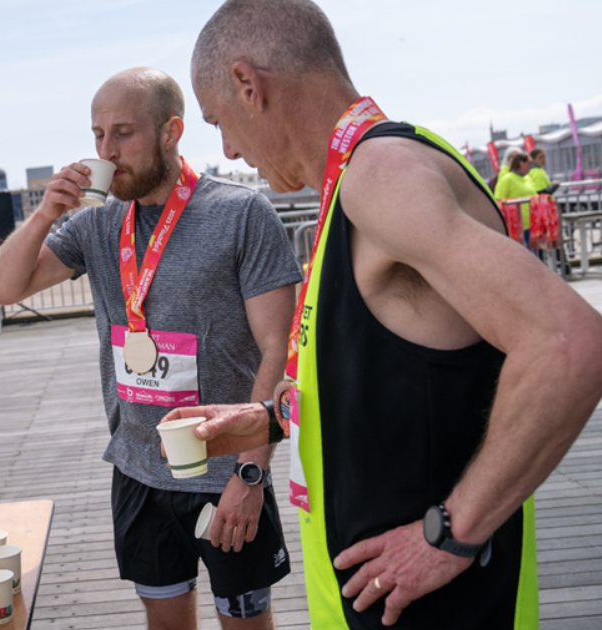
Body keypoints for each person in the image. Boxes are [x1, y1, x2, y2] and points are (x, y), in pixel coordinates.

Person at [174, 0, 602, 628]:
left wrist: (450, 533)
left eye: (219, 123)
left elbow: (569, 343)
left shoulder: (381, 174)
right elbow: (398, 368)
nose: (230, 151)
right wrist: (267, 419)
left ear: (248, 85)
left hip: (437, 605)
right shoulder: (355, 179)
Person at [0, 67, 300, 629]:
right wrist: (45, 212)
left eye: (122, 133)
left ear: (171, 131)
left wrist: (250, 475)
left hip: (226, 471)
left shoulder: (241, 214)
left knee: (247, 622)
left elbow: (277, 351)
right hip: (137, 469)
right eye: (97, 135)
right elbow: (1, 289)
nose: (106, 150)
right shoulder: (97, 224)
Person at [493, 150, 538, 247]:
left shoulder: (527, 178)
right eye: (529, 163)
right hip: (516, 227)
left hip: (532, 224)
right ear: (521, 163)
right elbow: (499, 201)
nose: (531, 166)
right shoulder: (507, 179)